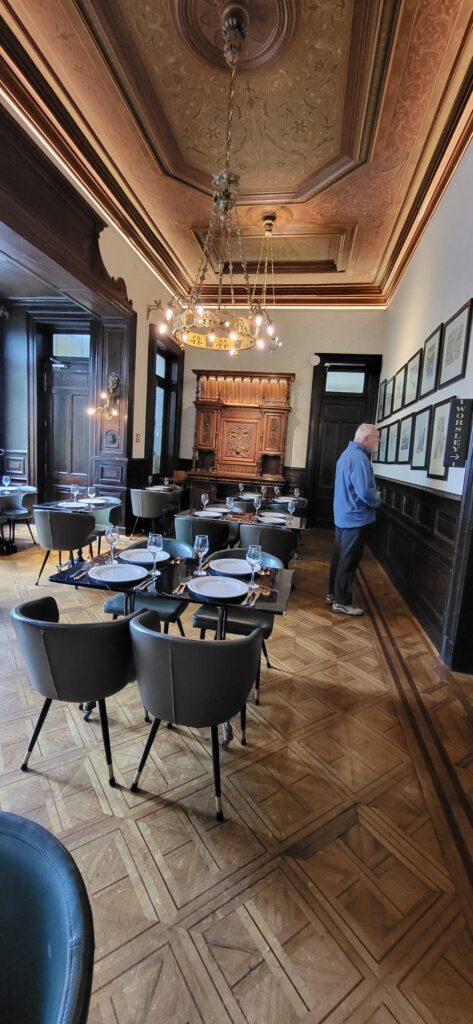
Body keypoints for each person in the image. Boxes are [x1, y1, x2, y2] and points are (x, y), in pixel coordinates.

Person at [328, 423, 381, 616]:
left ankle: (333, 594)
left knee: (339, 557)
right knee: (348, 561)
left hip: (343, 516)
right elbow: (365, 492)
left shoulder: (346, 454)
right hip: (355, 518)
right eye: (376, 438)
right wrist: (377, 499)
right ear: (366, 439)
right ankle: (341, 602)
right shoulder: (359, 458)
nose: (378, 442)